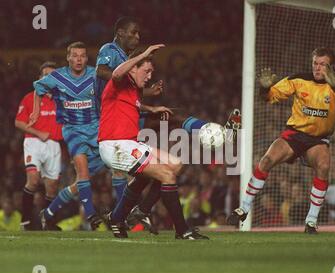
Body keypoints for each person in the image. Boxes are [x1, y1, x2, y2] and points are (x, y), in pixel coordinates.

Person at [95, 17, 241, 232]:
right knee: (171, 127)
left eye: (139, 33)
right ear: (120, 32)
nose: (138, 36)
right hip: (109, 119)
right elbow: (104, 73)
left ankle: (136, 212)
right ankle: (158, 222)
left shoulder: (129, 72)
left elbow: (128, 93)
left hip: (126, 113)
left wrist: (145, 96)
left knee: (171, 119)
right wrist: (133, 76)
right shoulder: (110, 50)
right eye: (133, 33)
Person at [227, 47, 335, 234]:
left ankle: (311, 221)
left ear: (331, 66)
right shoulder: (298, 80)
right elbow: (268, 97)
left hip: (318, 139)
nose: (317, 68)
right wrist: (264, 88)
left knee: (324, 166)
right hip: (294, 134)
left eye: (323, 64)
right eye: (315, 63)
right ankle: (244, 208)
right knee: (266, 160)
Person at [98, 44, 208, 240]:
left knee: (175, 164)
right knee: (166, 174)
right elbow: (115, 74)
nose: (149, 77)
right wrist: (144, 53)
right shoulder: (119, 82)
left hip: (129, 144)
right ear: (133, 68)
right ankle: (182, 230)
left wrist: (151, 109)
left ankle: (125, 215)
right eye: (146, 71)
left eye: (151, 72)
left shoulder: (133, 90)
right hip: (115, 145)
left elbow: (132, 105)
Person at [30, 42, 105, 230]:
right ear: (68, 58)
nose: (79, 59)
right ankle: (91, 215)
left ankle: (48, 213)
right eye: (75, 55)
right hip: (72, 130)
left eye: (82, 56)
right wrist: (36, 111)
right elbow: (38, 88)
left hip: (96, 129)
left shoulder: (95, 75)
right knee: (83, 172)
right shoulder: (57, 76)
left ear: (87, 59)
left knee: (87, 179)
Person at [15, 61, 63, 230]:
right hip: (34, 142)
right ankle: (25, 221)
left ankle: (48, 222)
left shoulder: (62, 99)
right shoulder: (30, 97)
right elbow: (19, 122)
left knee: (52, 188)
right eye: (45, 75)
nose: (49, 78)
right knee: (33, 180)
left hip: (54, 146)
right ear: (39, 78)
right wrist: (39, 133)